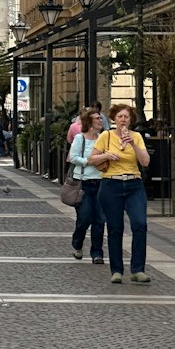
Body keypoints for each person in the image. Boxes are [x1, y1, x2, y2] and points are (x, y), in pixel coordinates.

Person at [90, 102, 150, 284]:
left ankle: (138, 269)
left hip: (133, 184)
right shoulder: (106, 136)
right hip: (111, 185)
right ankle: (116, 270)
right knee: (115, 228)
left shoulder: (137, 137)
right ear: (114, 119)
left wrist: (133, 144)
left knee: (140, 224)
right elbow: (91, 159)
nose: (123, 120)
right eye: (120, 117)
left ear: (131, 120)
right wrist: (106, 156)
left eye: (126, 117)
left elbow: (145, 162)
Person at [68, 107, 105, 263]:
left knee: (99, 219)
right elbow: (73, 157)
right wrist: (88, 161)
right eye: (97, 118)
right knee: (84, 218)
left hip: (101, 182)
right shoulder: (80, 139)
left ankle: (97, 253)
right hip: (83, 183)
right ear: (89, 122)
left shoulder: (103, 138)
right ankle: (77, 243)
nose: (101, 120)